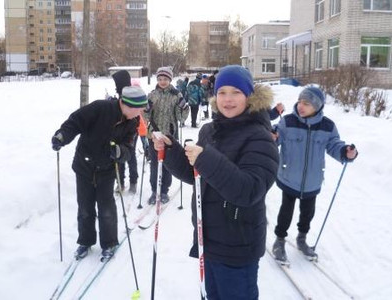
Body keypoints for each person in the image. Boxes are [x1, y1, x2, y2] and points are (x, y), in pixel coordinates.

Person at [151, 65, 279, 299]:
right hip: (207, 241)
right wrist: (171, 150)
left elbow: (249, 190)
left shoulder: (260, 137)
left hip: (238, 247)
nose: (228, 99)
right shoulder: (210, 130)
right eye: (222, 92)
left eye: (236, 92)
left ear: (249, 95)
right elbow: (197, 175)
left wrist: (205, 158)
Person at [51, 85, 148, 261]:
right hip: (84, 166)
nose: (140, 114)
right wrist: (62, 137)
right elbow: (75, 121)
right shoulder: (100, 108)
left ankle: (109, 243)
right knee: (85, 207)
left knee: (106, 209)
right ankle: (85, 241)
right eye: (139, 109)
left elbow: (128, 148)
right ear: (128, 105)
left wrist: (119, 152)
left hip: (107, 169)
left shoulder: (132, 122)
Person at [271, 86, 358, 264]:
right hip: (289, 177)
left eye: (307, 104)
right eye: (300, 102)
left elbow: (334, 145)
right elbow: (276, 136)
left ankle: (301, 239)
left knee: (307, 213)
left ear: (317, 107)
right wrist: (272, 136)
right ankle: (279, 241)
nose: (301, 106)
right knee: (286, 212)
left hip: (312, 181)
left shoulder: (327, 126)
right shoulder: (288, 122)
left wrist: (346, 153)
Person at [144, 66, 189, 205]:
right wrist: (145, 110)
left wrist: (183, 108)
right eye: (160, 79)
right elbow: (145, 116)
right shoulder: (151, 95)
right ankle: (154, 190)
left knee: (167, 164)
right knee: (155, 164)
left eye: (165, 79)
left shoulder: (176, 95)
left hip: (170, 135)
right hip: (154, 135)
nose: (162, 81)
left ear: (170, 79)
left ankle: (164, 191)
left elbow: (181, 117)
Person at [108, 71, 140, 194]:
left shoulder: (130, 93)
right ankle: (120, 182)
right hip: (116, 132)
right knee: (118, 156)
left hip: (130, 131)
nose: (116, 84)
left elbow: (136, 112)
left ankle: (133, 182)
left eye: (117, 81)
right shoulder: (119, 93)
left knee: (130, 156)